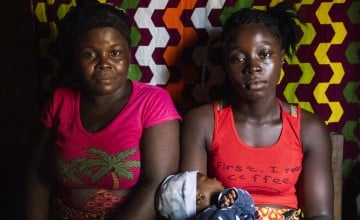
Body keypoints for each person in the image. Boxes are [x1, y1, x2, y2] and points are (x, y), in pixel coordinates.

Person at [25, 1, 181, 219]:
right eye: (89, 54)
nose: (104, 63)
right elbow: (37, 176)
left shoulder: (153, 102)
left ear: (129, 55)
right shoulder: (60, 100)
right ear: (73, 58)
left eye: (115, 53)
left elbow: (155, 184)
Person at [179, 2, 333, 220]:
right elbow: (191, 208)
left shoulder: (310, 129)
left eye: (264, 54)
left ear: (281, 57)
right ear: (225, 64)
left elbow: (321, 215)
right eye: (238, 58)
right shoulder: (202, 123)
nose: (253, 67)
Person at [156, 170, 258, 220]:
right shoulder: (212, 217)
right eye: (207, 178)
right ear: (200, 198)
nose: (214, 178)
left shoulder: (224, 203)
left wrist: (237, 197)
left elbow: (250, 209)